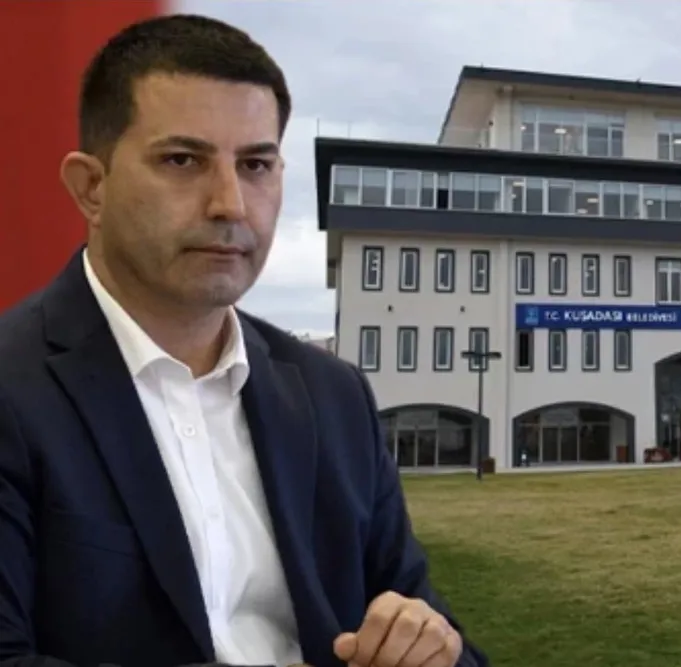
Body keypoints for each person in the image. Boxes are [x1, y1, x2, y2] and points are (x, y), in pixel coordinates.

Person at [0, 14, 488, 667]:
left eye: (256, 164)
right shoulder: (15, 388)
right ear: (92, 187)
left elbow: (427, 622)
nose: (230, 203)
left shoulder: (333, 395)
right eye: (182, 160)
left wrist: (431, 649)